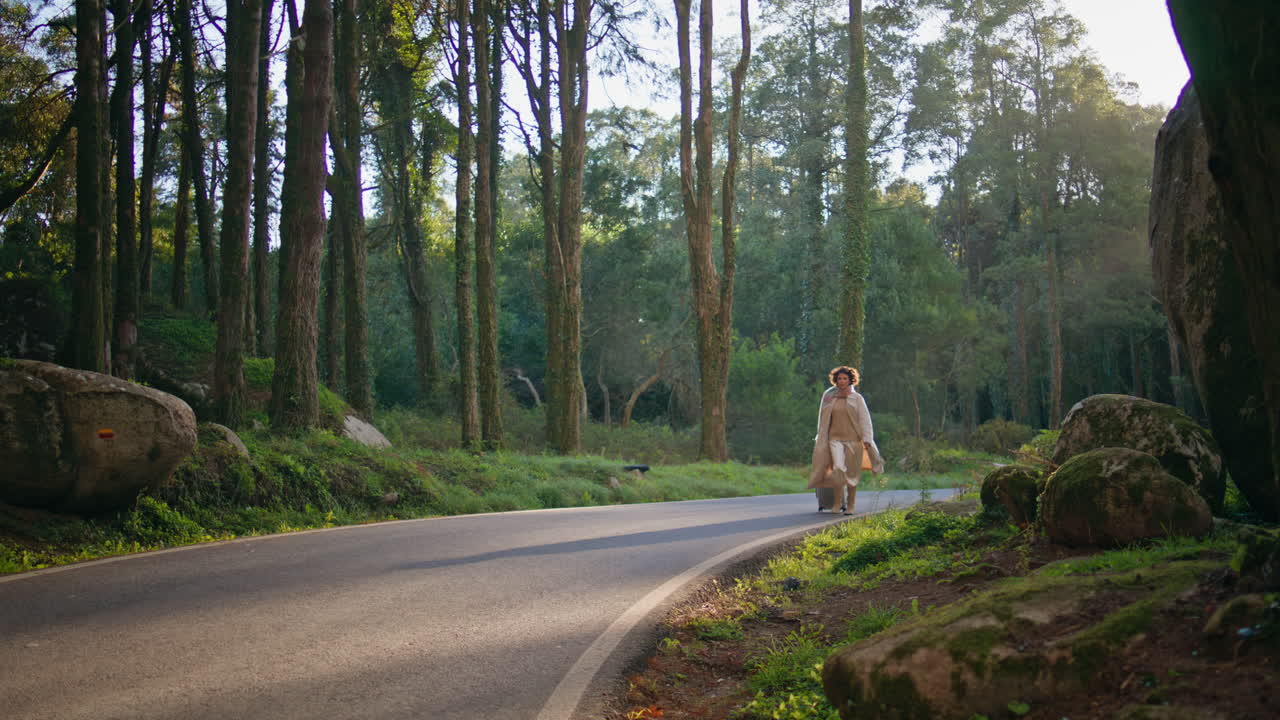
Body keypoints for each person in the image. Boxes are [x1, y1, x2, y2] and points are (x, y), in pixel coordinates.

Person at [807, 366, 884, 515]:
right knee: (838, 469)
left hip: (854, 441)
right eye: (839, 378)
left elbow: (865, 420)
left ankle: (850, 505)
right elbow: (822, 421)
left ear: (850, 380)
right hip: (834, 440)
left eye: (845, 378)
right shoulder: (830, 397)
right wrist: (821, 437)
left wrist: (867, 439)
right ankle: (836, 504)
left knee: (852, 474)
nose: (842, 381)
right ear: (835, 380)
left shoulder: (857, 398)